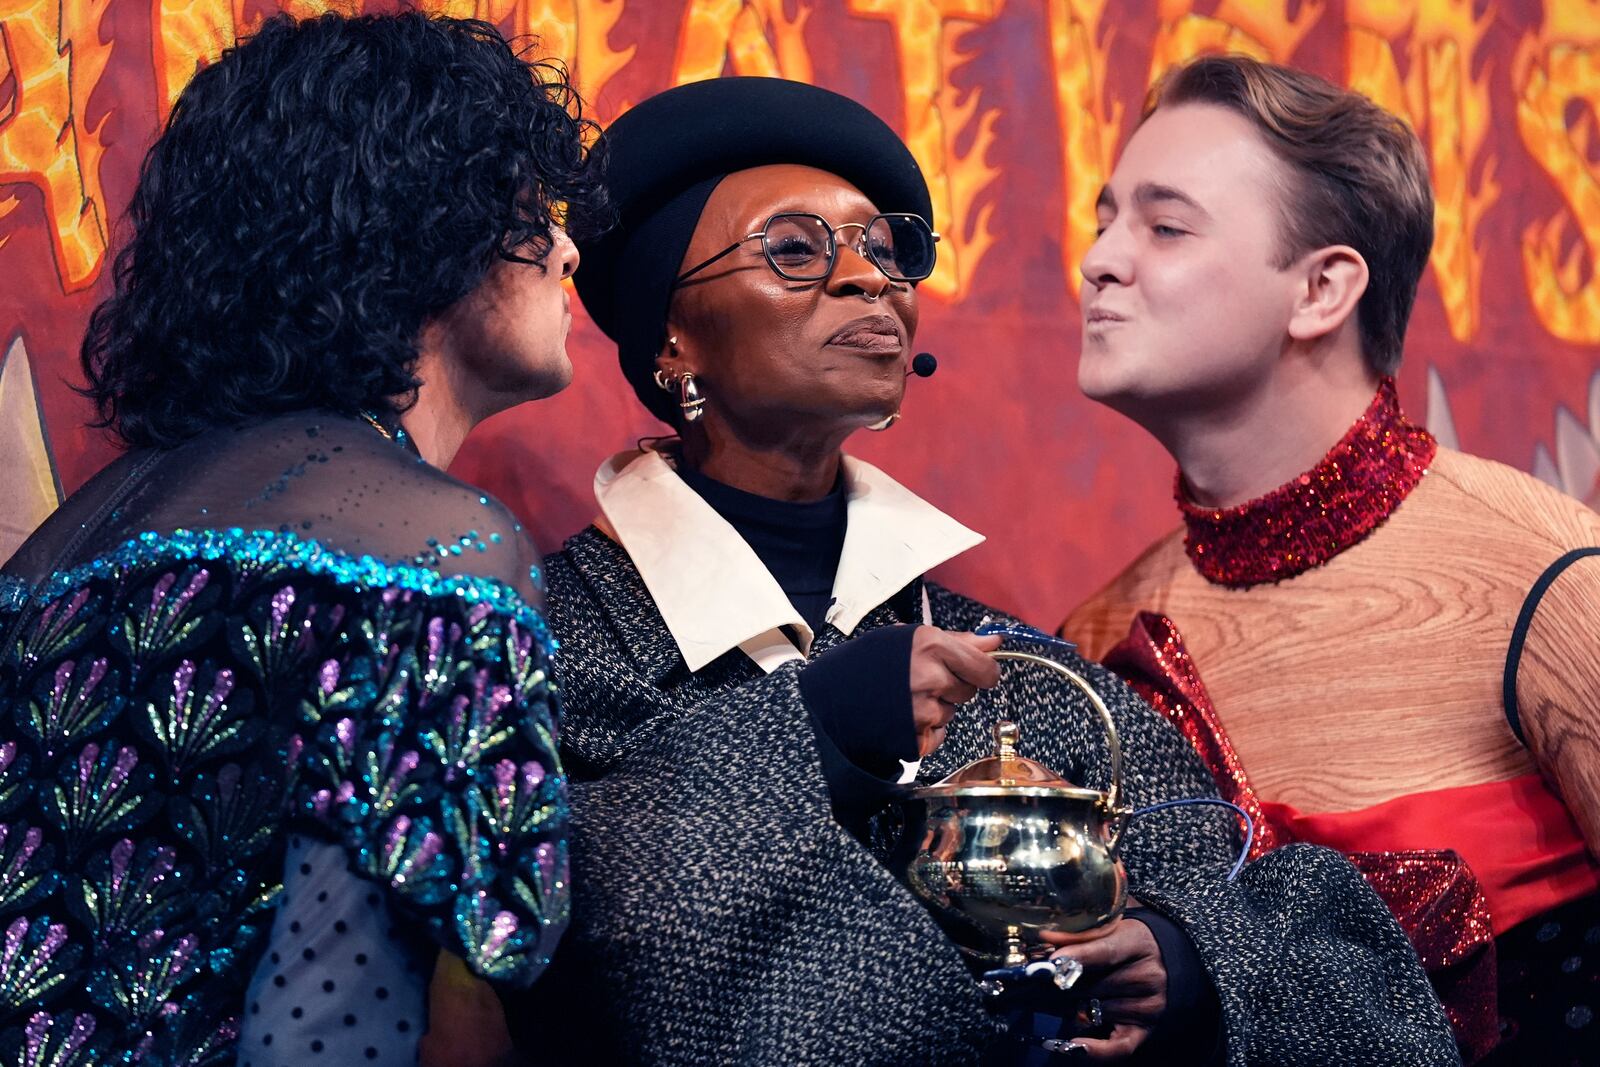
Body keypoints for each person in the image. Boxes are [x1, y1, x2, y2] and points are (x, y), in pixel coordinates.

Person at [494, 76, 1457, 1066]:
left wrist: (1184, 966)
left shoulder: (1021, 672)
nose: (870, 280)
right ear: (673, 337)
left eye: (885, 248)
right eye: (794, 249)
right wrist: (815, 726)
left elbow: (1354, 992)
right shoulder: (556, 637)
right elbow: (588, 935)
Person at [0, 12, 597, 1063]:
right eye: (526, 209)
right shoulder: (433, 555)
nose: (565, 246)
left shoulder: (51, 552)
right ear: (423, 221)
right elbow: (337, 1019)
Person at [1061, 54, 1600, 1065]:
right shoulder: (1092, 638)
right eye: (1103, 219)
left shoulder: (1542, 575)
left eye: (1163, 226)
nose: (1097, 259)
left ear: (1320, 287)